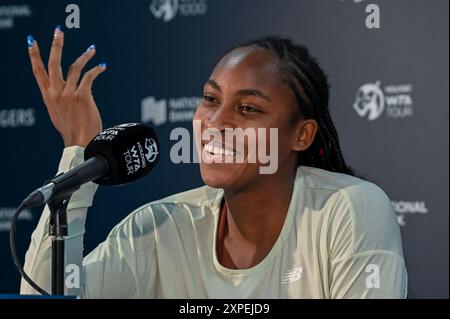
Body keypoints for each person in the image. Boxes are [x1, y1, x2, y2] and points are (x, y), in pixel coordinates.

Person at [21, 26, 407, 298]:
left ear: (301, 135)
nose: (216, 123)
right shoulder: (159, 228)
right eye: (210, 99)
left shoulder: (349, 210)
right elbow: (44, 295)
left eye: (248, 108)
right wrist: (78, 150)